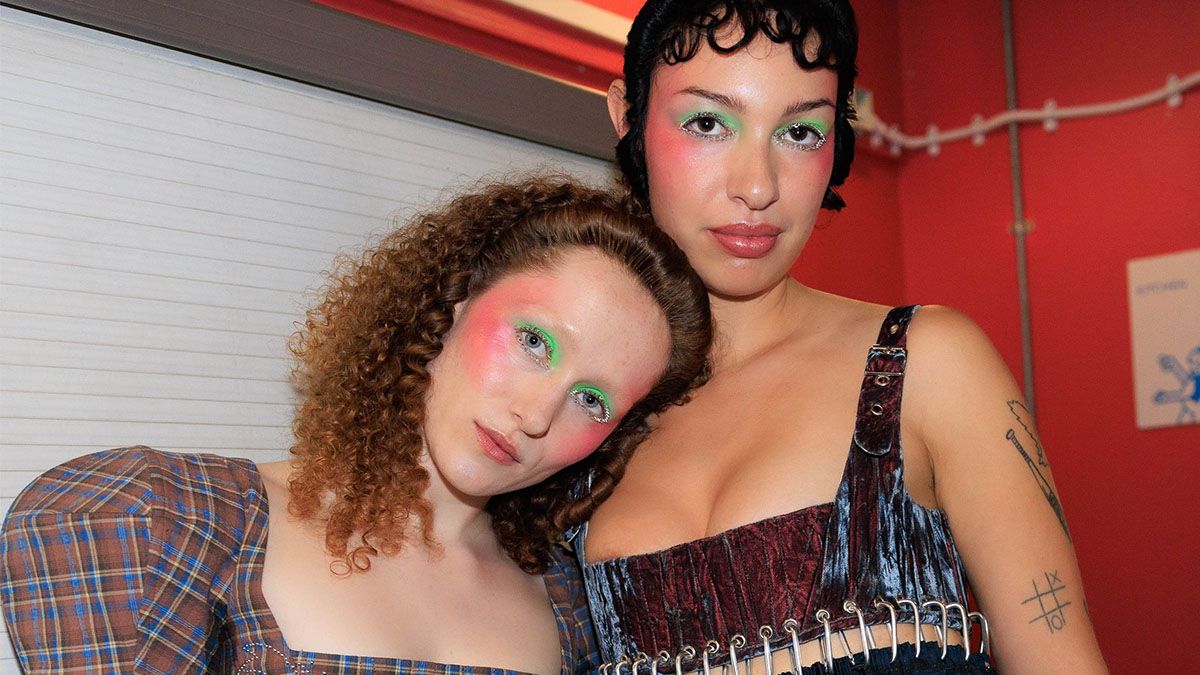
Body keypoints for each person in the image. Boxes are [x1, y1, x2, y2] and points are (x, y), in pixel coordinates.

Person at [575, 2, 1108, 673]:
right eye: (708, 123)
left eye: (800, 132)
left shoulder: (924, 365)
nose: (757, 187)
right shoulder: (577, 411)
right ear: (628, 117)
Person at [0, 176, 712, 674]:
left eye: (592, 400)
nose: (535, 414)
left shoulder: (570, 607)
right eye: (534, 341)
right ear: (455, 299)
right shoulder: (169, 524)